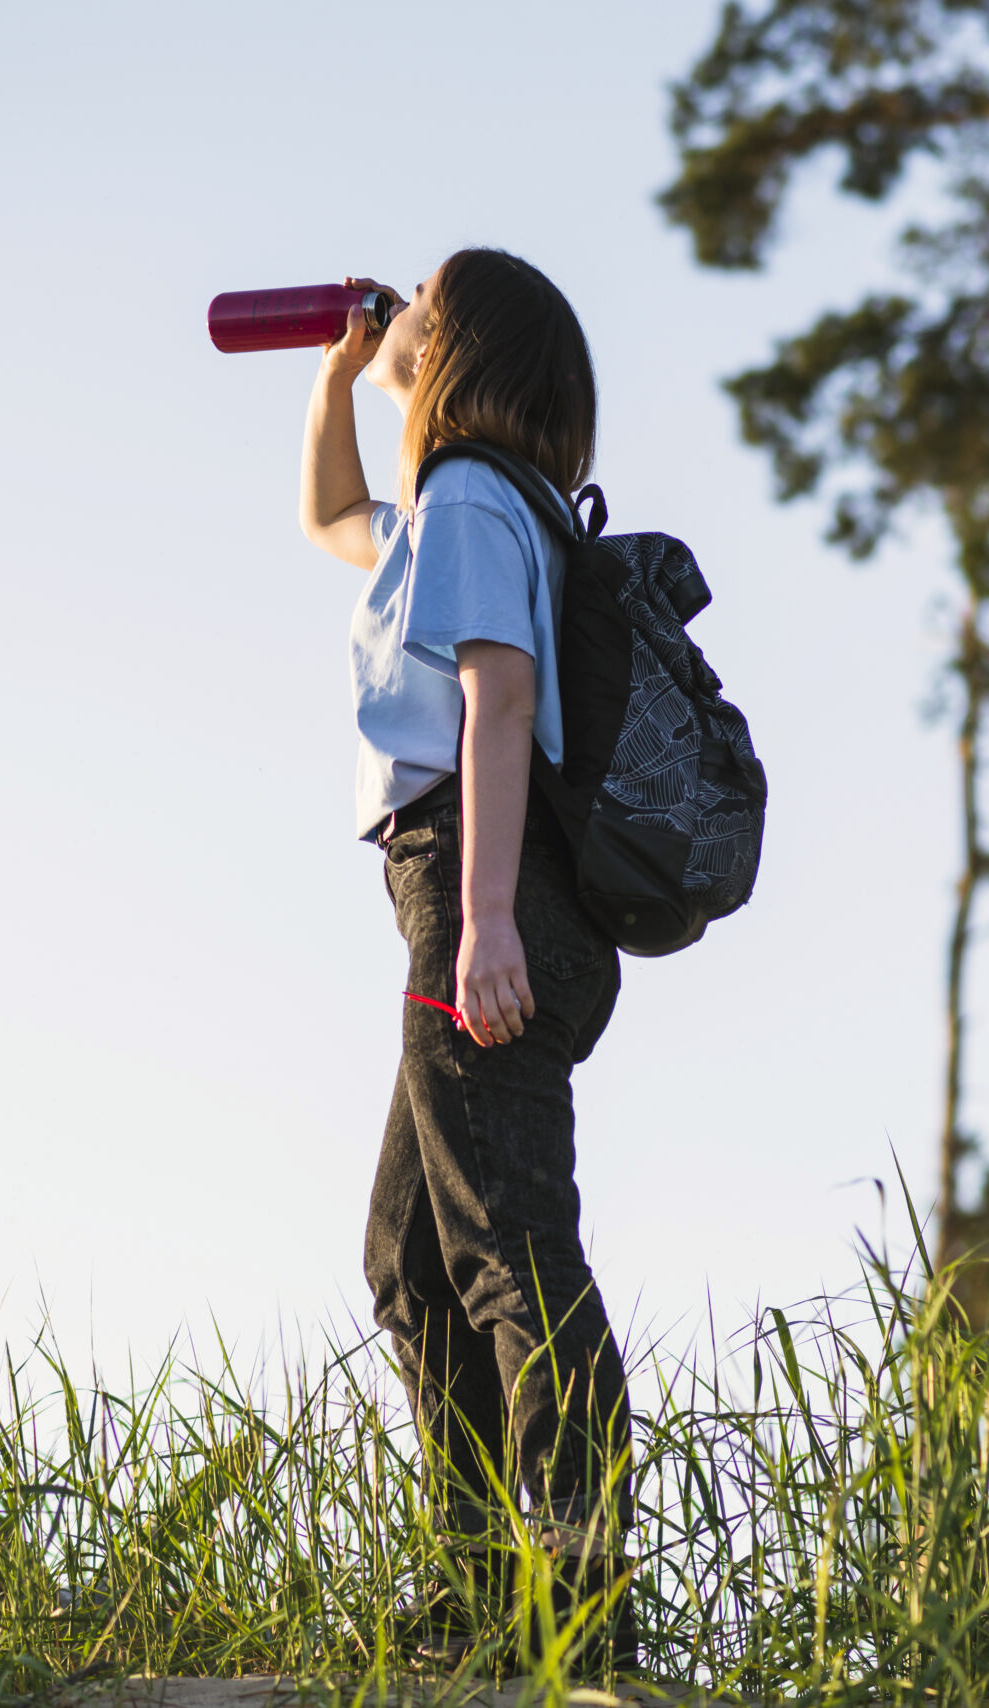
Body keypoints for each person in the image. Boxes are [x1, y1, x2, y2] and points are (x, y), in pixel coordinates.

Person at [297, 248, 633, 1666]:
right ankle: (486, 1595)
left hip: (481, 887)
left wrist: (485, 920)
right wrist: (340, 375)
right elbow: (328, 520)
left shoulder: (481, 499)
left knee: (504, 1247)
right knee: (412, 1259)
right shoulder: (454, 511)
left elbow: (499, 705)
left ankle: (579, 1602)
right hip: (460, 889)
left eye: (427, 305)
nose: (404, 320)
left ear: (466, 350)